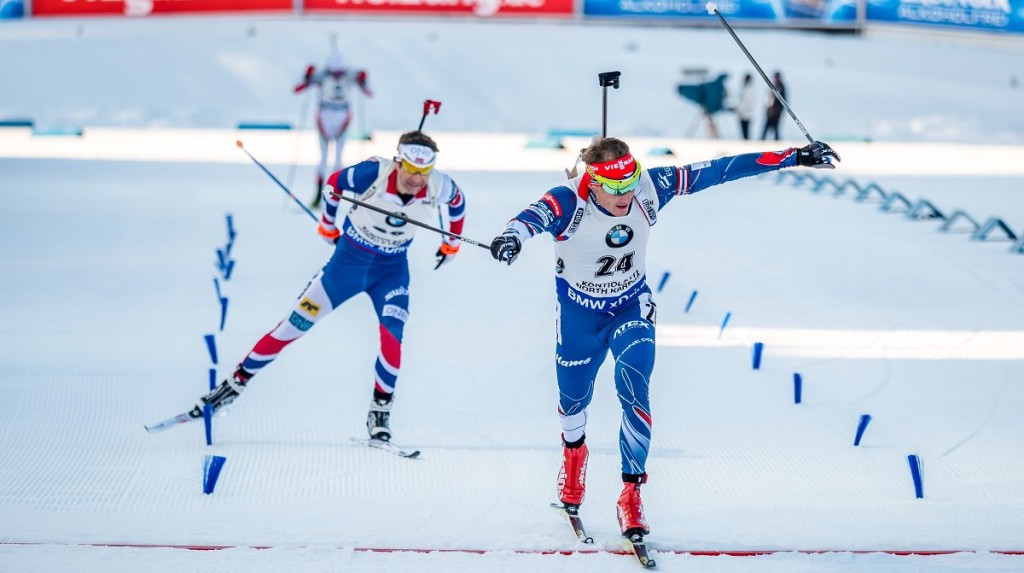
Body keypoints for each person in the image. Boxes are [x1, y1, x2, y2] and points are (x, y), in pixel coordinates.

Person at [488, 137, 839, 539]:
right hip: (578, 317)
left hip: (630, 308)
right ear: (593, 181)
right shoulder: (568, 201)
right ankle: (573, 460)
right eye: (615, 187)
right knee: (572, 405)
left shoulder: (650, 186)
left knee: (634, 386)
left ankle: (631, 496)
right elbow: (526, 219)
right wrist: (511, 238)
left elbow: (720, 169)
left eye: (630, 183)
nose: (626, 195)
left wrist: (794, 156)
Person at [191, 131, 466, 444]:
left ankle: (380, 412)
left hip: (390, 273)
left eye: (424, 172)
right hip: (346, 267)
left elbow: (458, 203)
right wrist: (328, 224)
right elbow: (334, 185)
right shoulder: (373, 173)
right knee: (290, 328)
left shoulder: (439, 185)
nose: (417, 179)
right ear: (399, 161)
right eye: (412, 170)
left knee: (392, 339)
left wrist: (451, 243)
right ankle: (233, 385)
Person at [294, 51, 373, 208]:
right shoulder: (323, 75)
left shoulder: (350, 75)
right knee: (323, 156)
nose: (337, 76)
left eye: (339, 72)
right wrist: (306, 76)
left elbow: (369, 92)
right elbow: (298, 89)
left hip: (343, 115)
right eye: (334, 72)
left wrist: (364, 80)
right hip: (324, 115)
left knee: (338, 156)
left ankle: (336, 193)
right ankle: (318, 194)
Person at [761, 71, 786, 141]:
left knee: (776, 128)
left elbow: (784, 100)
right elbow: (768, 99)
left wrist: (778, 111)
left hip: (776, 113)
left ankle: (777, 142)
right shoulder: (773, 86)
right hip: (770, 112)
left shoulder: (782, 87)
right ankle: (761, 141)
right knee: (766, 128)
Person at [735, 73, 756, 140]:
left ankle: (747, 142)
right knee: (743, 131)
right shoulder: (744, 88)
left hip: (746, 112)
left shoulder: (750, 89)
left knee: (746, 131)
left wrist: (741, 109)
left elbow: (748, 102)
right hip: (742, 112)